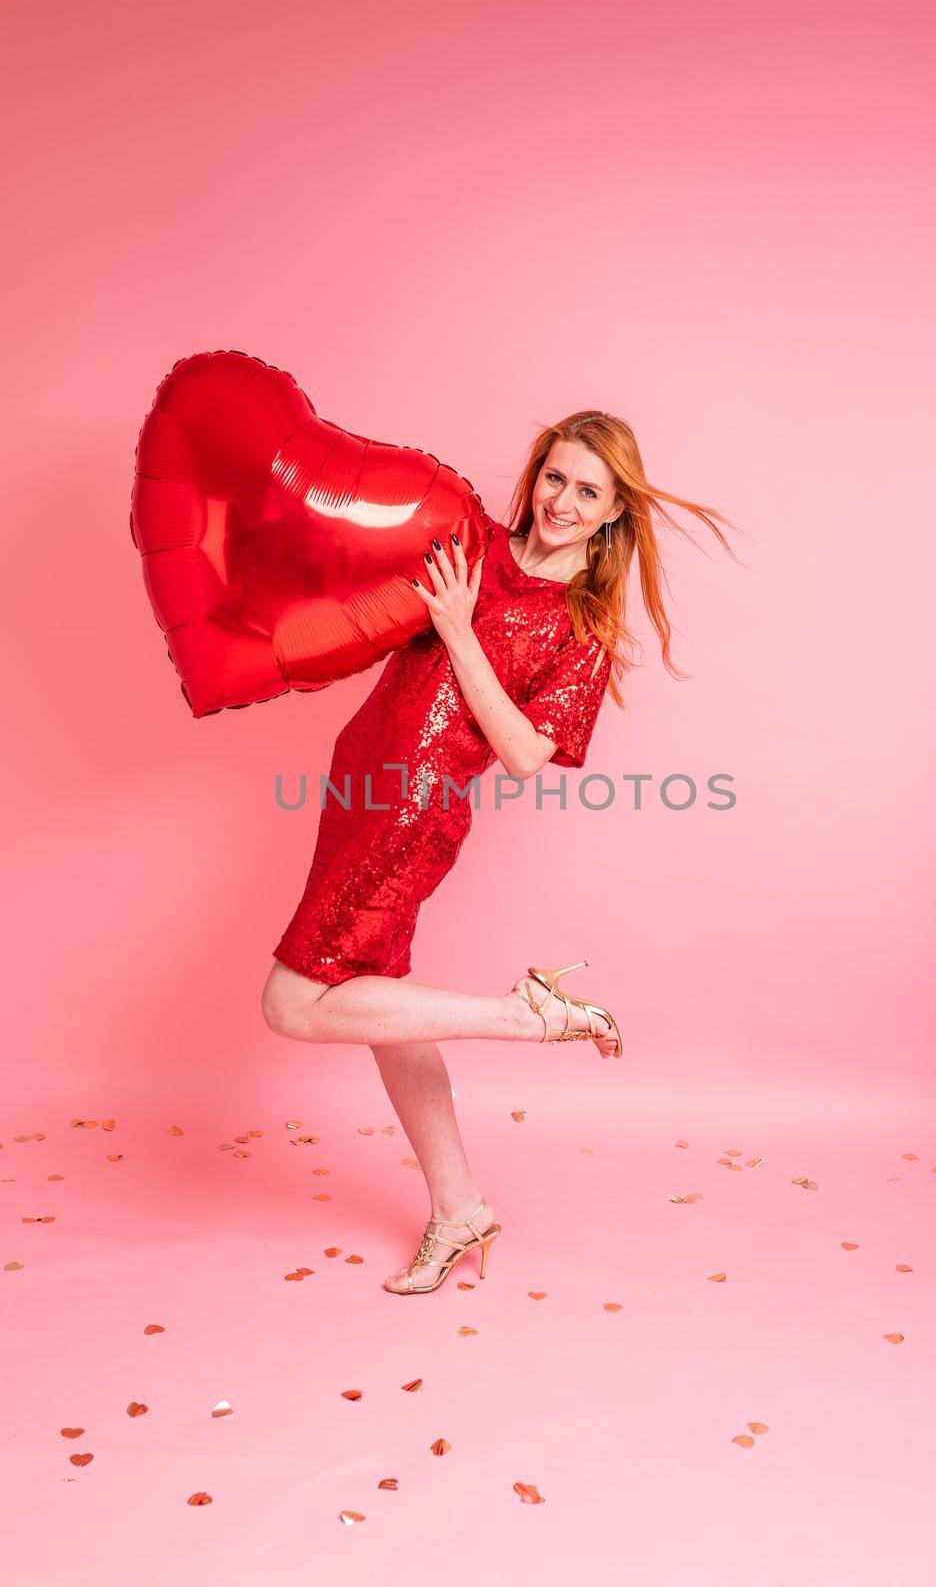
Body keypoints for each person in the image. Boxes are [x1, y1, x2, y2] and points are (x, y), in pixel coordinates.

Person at [261, 410, 738, 1294]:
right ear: (536, 474)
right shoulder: (468, 543)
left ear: (611, 514)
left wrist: (454, 626)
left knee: (293, 1005)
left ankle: (530, 1016)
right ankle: (459, 1208)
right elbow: (355, 567)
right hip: (358, 787)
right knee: (382, 1007)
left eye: (587, 491)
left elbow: (523, 751)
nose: (562, 501)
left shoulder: (581, 628)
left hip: (410, 815)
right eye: (555, 478)